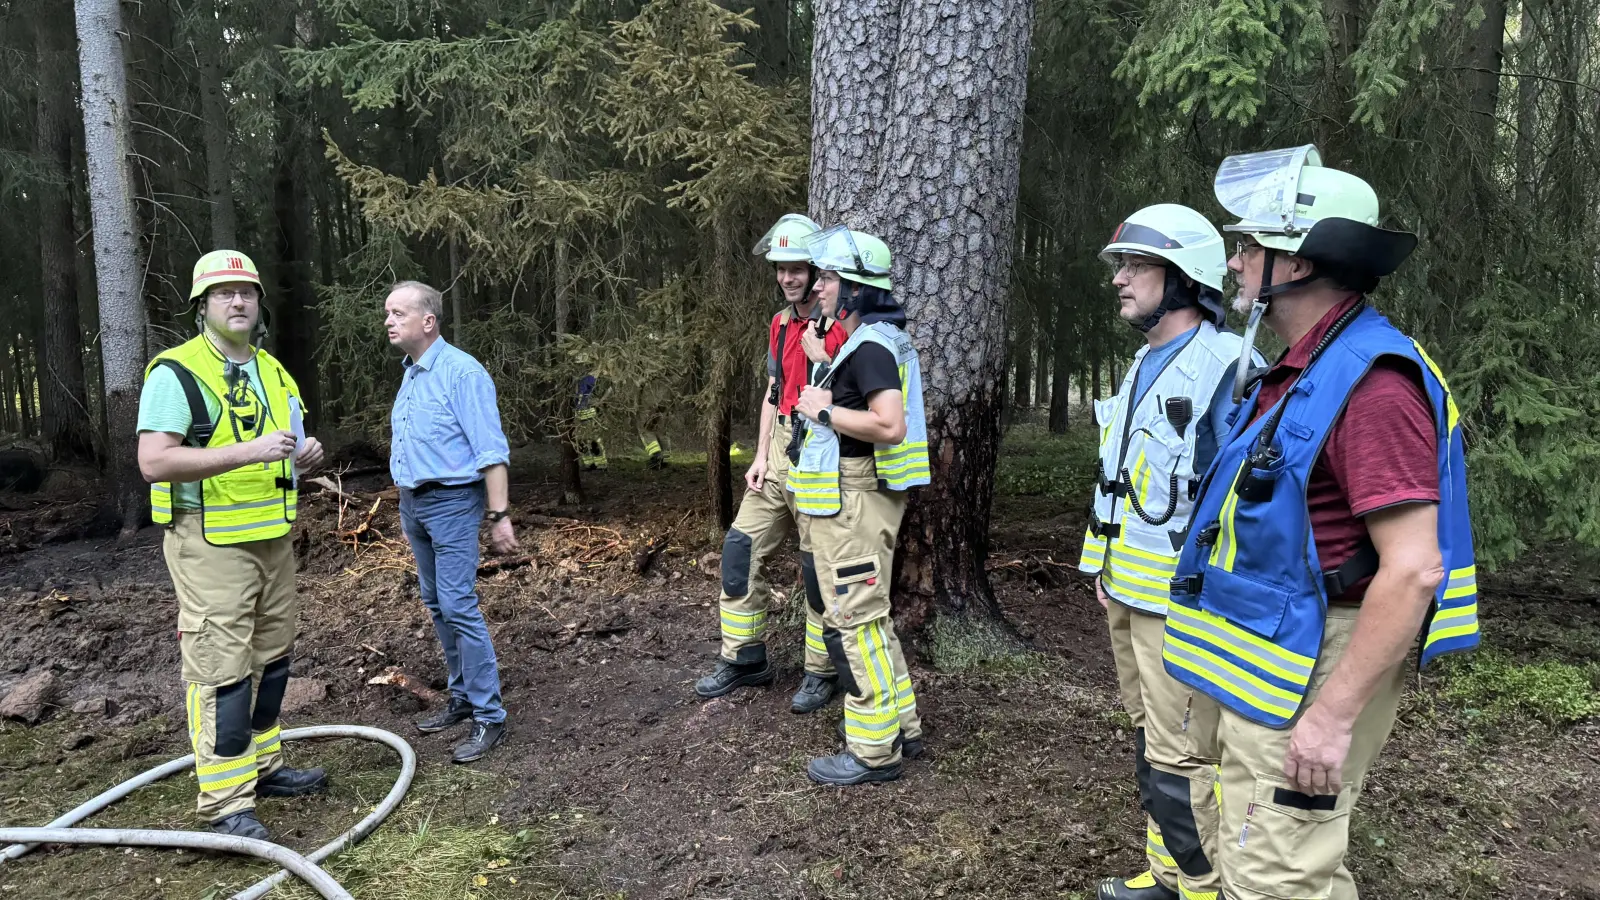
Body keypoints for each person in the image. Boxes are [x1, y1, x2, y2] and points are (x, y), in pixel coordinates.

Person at [1162, 146, 1480, 899]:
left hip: (1321, 658)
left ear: (1298, 264)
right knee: (1284, 861)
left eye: (1249, 247)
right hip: (1279, 650)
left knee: (1275, 877)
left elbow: (1412, 568)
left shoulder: (1372, 383)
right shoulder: (1301, 367)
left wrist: (1334, 717)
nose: (1235, 262)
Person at [1078, 206, 1258, 900]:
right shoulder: (1146, 362)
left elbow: (1243, 506)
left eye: (1135, 266)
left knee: (1182, 758)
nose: (1119, 279)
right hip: (1128, 588)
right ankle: (1168, 874)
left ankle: (1203, 888)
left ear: (1183, 277)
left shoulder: (1228, 370)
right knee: (1154, 745)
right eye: (1120, 266)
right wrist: (1102, 567)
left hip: (1179, 605)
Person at [137, 250, 329, 841]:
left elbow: (286, 442)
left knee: (272, 658)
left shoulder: (273, 371)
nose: (238, 301)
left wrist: (306, 454)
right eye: (224, 294)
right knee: (221, 669)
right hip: (208, 543)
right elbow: (154, 461)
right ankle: (224, 802)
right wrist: (250, 452)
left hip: (273, 537)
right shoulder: (176, 372)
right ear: (203, 306)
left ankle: (265, 767)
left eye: (246, 292)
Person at [789, 225, 930, 786]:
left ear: (855, 288)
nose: (819, 287)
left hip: (854, 504)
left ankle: (874, 752)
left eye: (828, 278)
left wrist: (822, 410)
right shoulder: (867, 340)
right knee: (870, 620)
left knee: (853, 621)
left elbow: (888, 425)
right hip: (855, 500)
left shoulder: (870, 344)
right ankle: (903, 728)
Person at [693, 213, 849, 714]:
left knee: (815, 569)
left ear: (814, 269)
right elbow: (772, 393)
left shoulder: (839, 327)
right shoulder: (780, 324)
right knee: (739, 548)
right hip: (779, 452)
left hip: (822, 457)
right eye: (781, 268)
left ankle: (821, 671)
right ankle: (745, 659)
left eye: (797, 268)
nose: (787, 277)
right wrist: (760, 456)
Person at [385, 280, 521, 763]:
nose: (389, 321)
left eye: (399, 313)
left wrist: (499, 514)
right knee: (437, 603)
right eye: (387, 313)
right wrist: (407, 505)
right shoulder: (412, 374)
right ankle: (462, 699)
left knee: (459, 605)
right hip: (415, 504)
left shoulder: (462, 373)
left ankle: (490, 717)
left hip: (452, 503)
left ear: (428, 320)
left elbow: (491, 450)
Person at [575, 374, 607, 470]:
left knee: (594, 439)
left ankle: (600, 464)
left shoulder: (591, 378)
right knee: (581, 440)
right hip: (579, 414)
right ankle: (589, 463)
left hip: (590, 413)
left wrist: (598, 402)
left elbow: (604, 391)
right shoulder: (577, 378)